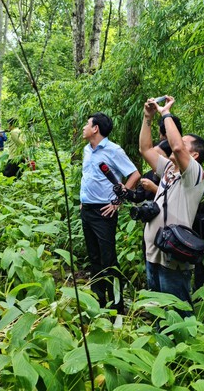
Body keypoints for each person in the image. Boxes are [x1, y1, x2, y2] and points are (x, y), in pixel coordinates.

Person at [139, 96, 204, 308]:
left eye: (183, 141)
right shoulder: (169, 169)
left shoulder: (195, 174)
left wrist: (166, 113)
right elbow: (145, 149)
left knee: (177, 315)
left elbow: (177, 148)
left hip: (174, 258)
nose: (173, 142)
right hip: (153, 254)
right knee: (159, 314)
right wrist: (147, 118)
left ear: (194, 155)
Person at [80, 112, 141, 313]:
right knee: (94, 258)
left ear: (95, 128)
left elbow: (134, 174)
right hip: (87, 209)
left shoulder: (113, 150)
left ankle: (117, 308)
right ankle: (98, 303)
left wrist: (117, 201)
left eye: (87, 124)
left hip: (104, 212)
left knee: (109, 260)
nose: (84, 128)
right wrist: (83, 201)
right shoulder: (87, 150)